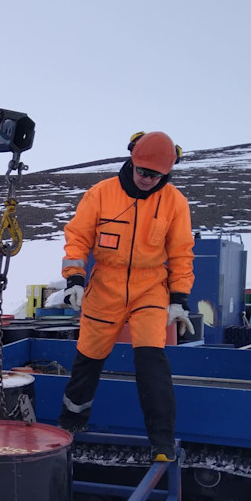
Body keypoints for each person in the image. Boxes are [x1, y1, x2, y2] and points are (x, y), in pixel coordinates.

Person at [56, 130, 195, 461]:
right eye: (142, 171)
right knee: (87, 360)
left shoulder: (175, 202)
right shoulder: (101, 194)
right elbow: (77, 238)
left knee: (152, 361)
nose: (147, 179)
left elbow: (181, 253)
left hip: (150, 289)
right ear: (131, 161)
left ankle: (161, 441)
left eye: (155, 175)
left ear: (167, 173)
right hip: (105, 286)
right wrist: (74, 279)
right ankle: (72, 423)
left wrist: (178, 299)